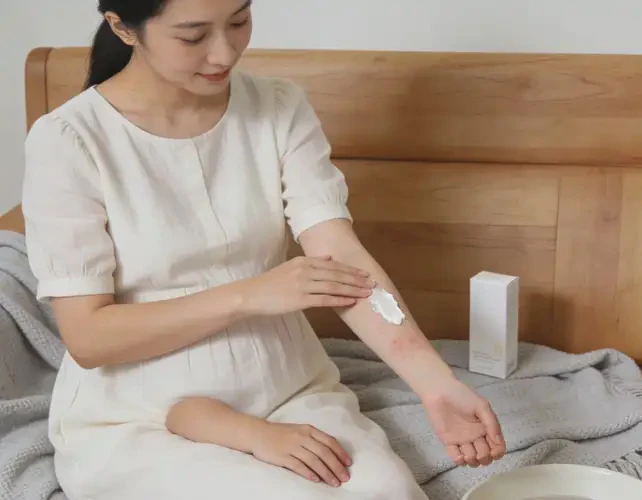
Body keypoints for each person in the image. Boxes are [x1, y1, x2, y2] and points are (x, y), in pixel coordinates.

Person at [21, 0, 507, 498]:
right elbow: (88, 338)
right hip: (141, 413)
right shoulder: (68, 140)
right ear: (123, 28)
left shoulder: (278, 107)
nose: (224, 53)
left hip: (286, 389)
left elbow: (341, 259)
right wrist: (249, 294)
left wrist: (434, 384)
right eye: (193, 36)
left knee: (390, 492)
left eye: (239, 21)